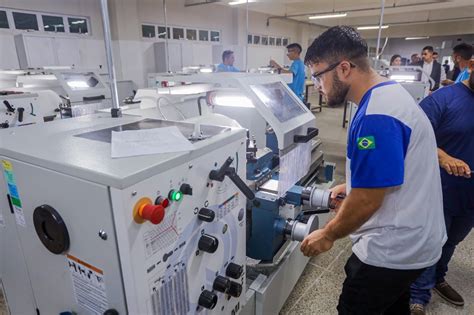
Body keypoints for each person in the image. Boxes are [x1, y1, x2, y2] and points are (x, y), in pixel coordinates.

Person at [301, 25, 446, 315]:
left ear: (343, 69)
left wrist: (328, 234)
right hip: (415, 242)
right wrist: (352, 187)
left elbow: (369, 199)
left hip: (391, 251)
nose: (317, 85)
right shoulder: (389, 96)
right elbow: (386, 171)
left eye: (318, 75)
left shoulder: (377, 116)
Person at [409, 61, 474, 315]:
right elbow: (414, 135)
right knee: (433, 241)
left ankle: (438, 278)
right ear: (471, 65)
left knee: (452, 241)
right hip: (441, 191)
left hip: (470, 197)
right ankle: (418, 294)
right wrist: (444, 157)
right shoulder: (444, 99)